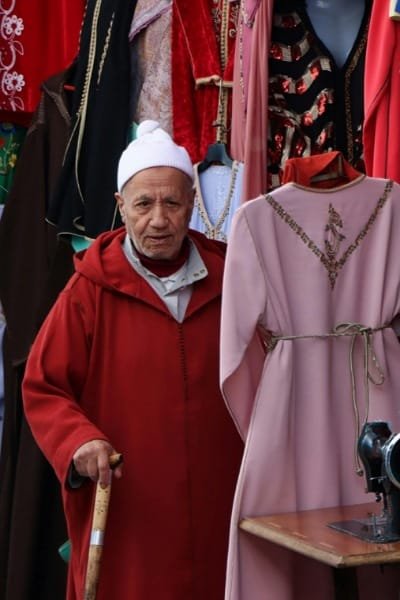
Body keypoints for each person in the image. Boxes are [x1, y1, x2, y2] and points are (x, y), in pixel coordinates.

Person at [22, 120, 243, 600]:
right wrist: (78, 442)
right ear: (121, 207)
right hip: (131, 510)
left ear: (192, 204)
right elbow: (44, 387)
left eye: (172, 202)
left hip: (221, 503)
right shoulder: (89, 290)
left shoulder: (235, 279)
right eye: (143, 204)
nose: (158, 220)